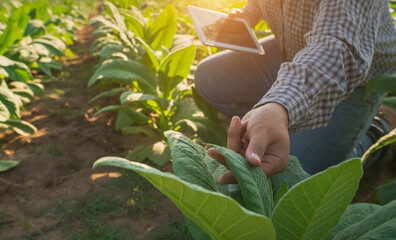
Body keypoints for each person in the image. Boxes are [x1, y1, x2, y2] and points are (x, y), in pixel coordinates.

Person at [194, 0, 396, 184]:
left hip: (350, 78)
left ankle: (379, 131)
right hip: (291, 49)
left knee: (291, 178)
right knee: (210, 78)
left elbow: (336, 47)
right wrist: (247, 15)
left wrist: (280, 105)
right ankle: (275, 126)